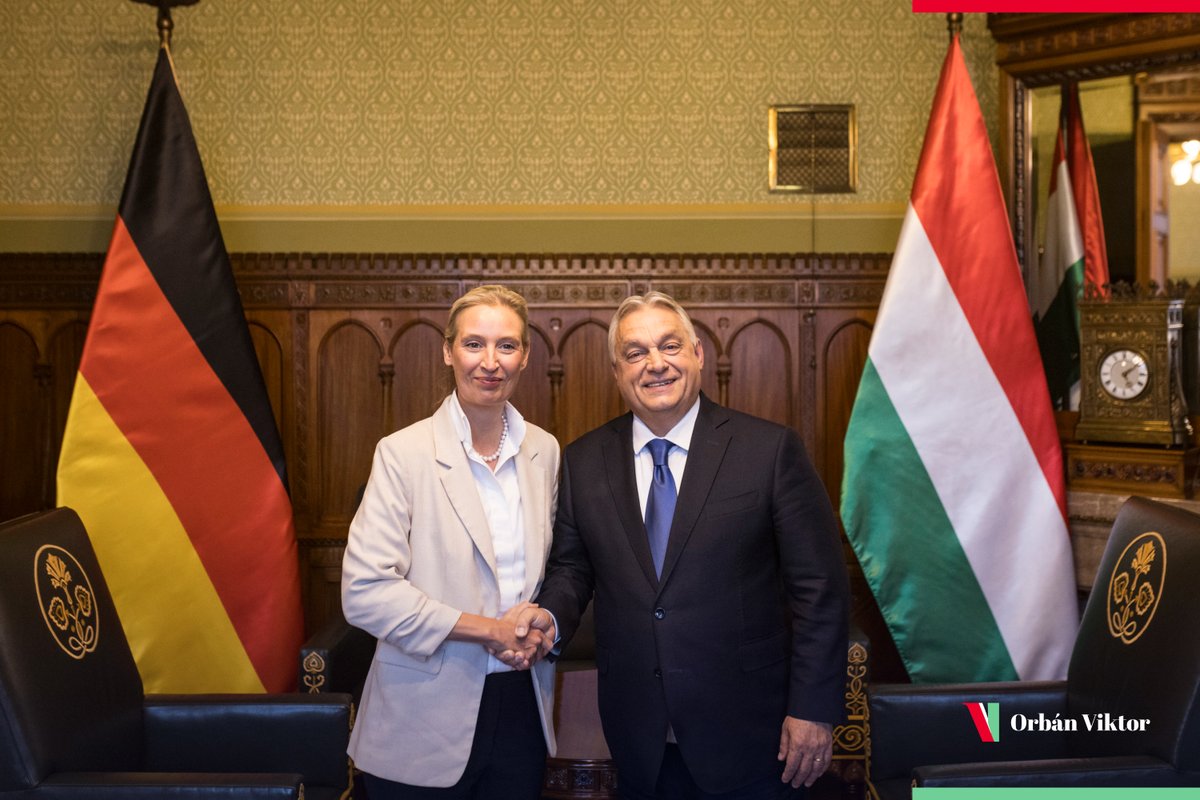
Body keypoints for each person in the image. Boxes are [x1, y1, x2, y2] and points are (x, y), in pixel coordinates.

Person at [513, 291, 850, 799]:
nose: (656, 364)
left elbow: (819, 590)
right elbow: (572, 570)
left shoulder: (768, 450)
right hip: (637, 734)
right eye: (635, 353)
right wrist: (551, 617)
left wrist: (812, 709)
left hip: (753, 736)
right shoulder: (584, 462)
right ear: (616, 371)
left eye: (669, 346)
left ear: (697, 353)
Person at [341, 284, 560, 799]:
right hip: (421, 713)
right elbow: (364, 591)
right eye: (474, 344)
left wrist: (539, 623)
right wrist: (490, 630)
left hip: (520, 705)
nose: (491, 362)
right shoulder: (402, 453)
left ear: (525, 356)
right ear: (447, 350)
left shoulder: (544, 452)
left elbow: (557, 569)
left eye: (507, 345)